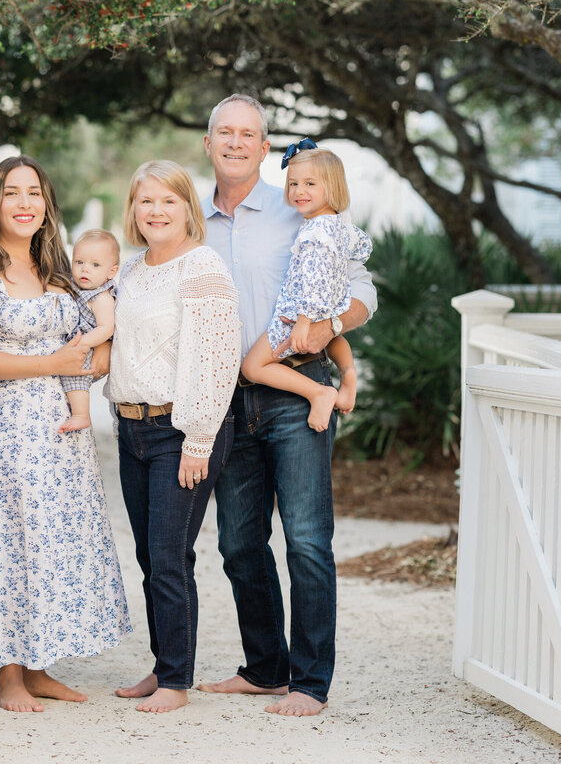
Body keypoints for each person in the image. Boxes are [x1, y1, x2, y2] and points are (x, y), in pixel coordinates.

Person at [196, 94, 378, 716]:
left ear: (264, 146)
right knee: (239, 544)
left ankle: (309, 684)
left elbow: (361, 292)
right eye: (226, 132)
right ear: (209, 142)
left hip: (295, 392)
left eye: (249, 133)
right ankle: (265, 668)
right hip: (222, 400)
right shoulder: (187, 219)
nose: (237, 142)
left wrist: (326, 326)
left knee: (305, 539)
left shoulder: (300, 208)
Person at [0, 155, 132, 713]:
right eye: (11, 193)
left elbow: (91, 334)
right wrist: (55, 360)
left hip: (62, 426)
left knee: (51, 540)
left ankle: (39, 665)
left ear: (47, 203)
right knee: (11, 539)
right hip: (9, 423)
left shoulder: (55, 268)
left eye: (34, 192)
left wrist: (92, 359)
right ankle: (9, 676)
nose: (25, 203)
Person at [107, 160, 240, 713]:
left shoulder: (203, 267)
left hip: (182, 429)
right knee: (147, 554)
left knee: (169, 554)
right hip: (132, 427)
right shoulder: (132, 272)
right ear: (133, 211)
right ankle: (164, 666)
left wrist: (198, 439)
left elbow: (216, 360)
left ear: (188, 207)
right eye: (146, 201)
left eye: (168, 200)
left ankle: (176, 682)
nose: (156, 211)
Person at [240, 143, 372, 431]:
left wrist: (303, 322)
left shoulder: (314, 233)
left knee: (253, 366)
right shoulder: (338, 224)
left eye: (310, 184)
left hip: (297, 314)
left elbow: (311, 282)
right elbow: (362, 247)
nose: (299, 191)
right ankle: (348, 371)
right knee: (329, 336)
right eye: (294, 183)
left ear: (333, 186)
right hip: (333, 302)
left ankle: (319, 393)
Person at [58, 229, 120, 433]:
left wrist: (83, 343)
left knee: (74, 375)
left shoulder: (101, 296)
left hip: (89, 345)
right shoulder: (78, 285)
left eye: (95, 265)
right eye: (79, 262)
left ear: (111, 272)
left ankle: (81, 414)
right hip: (78, 339)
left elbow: (106, 327)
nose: (85, 270)